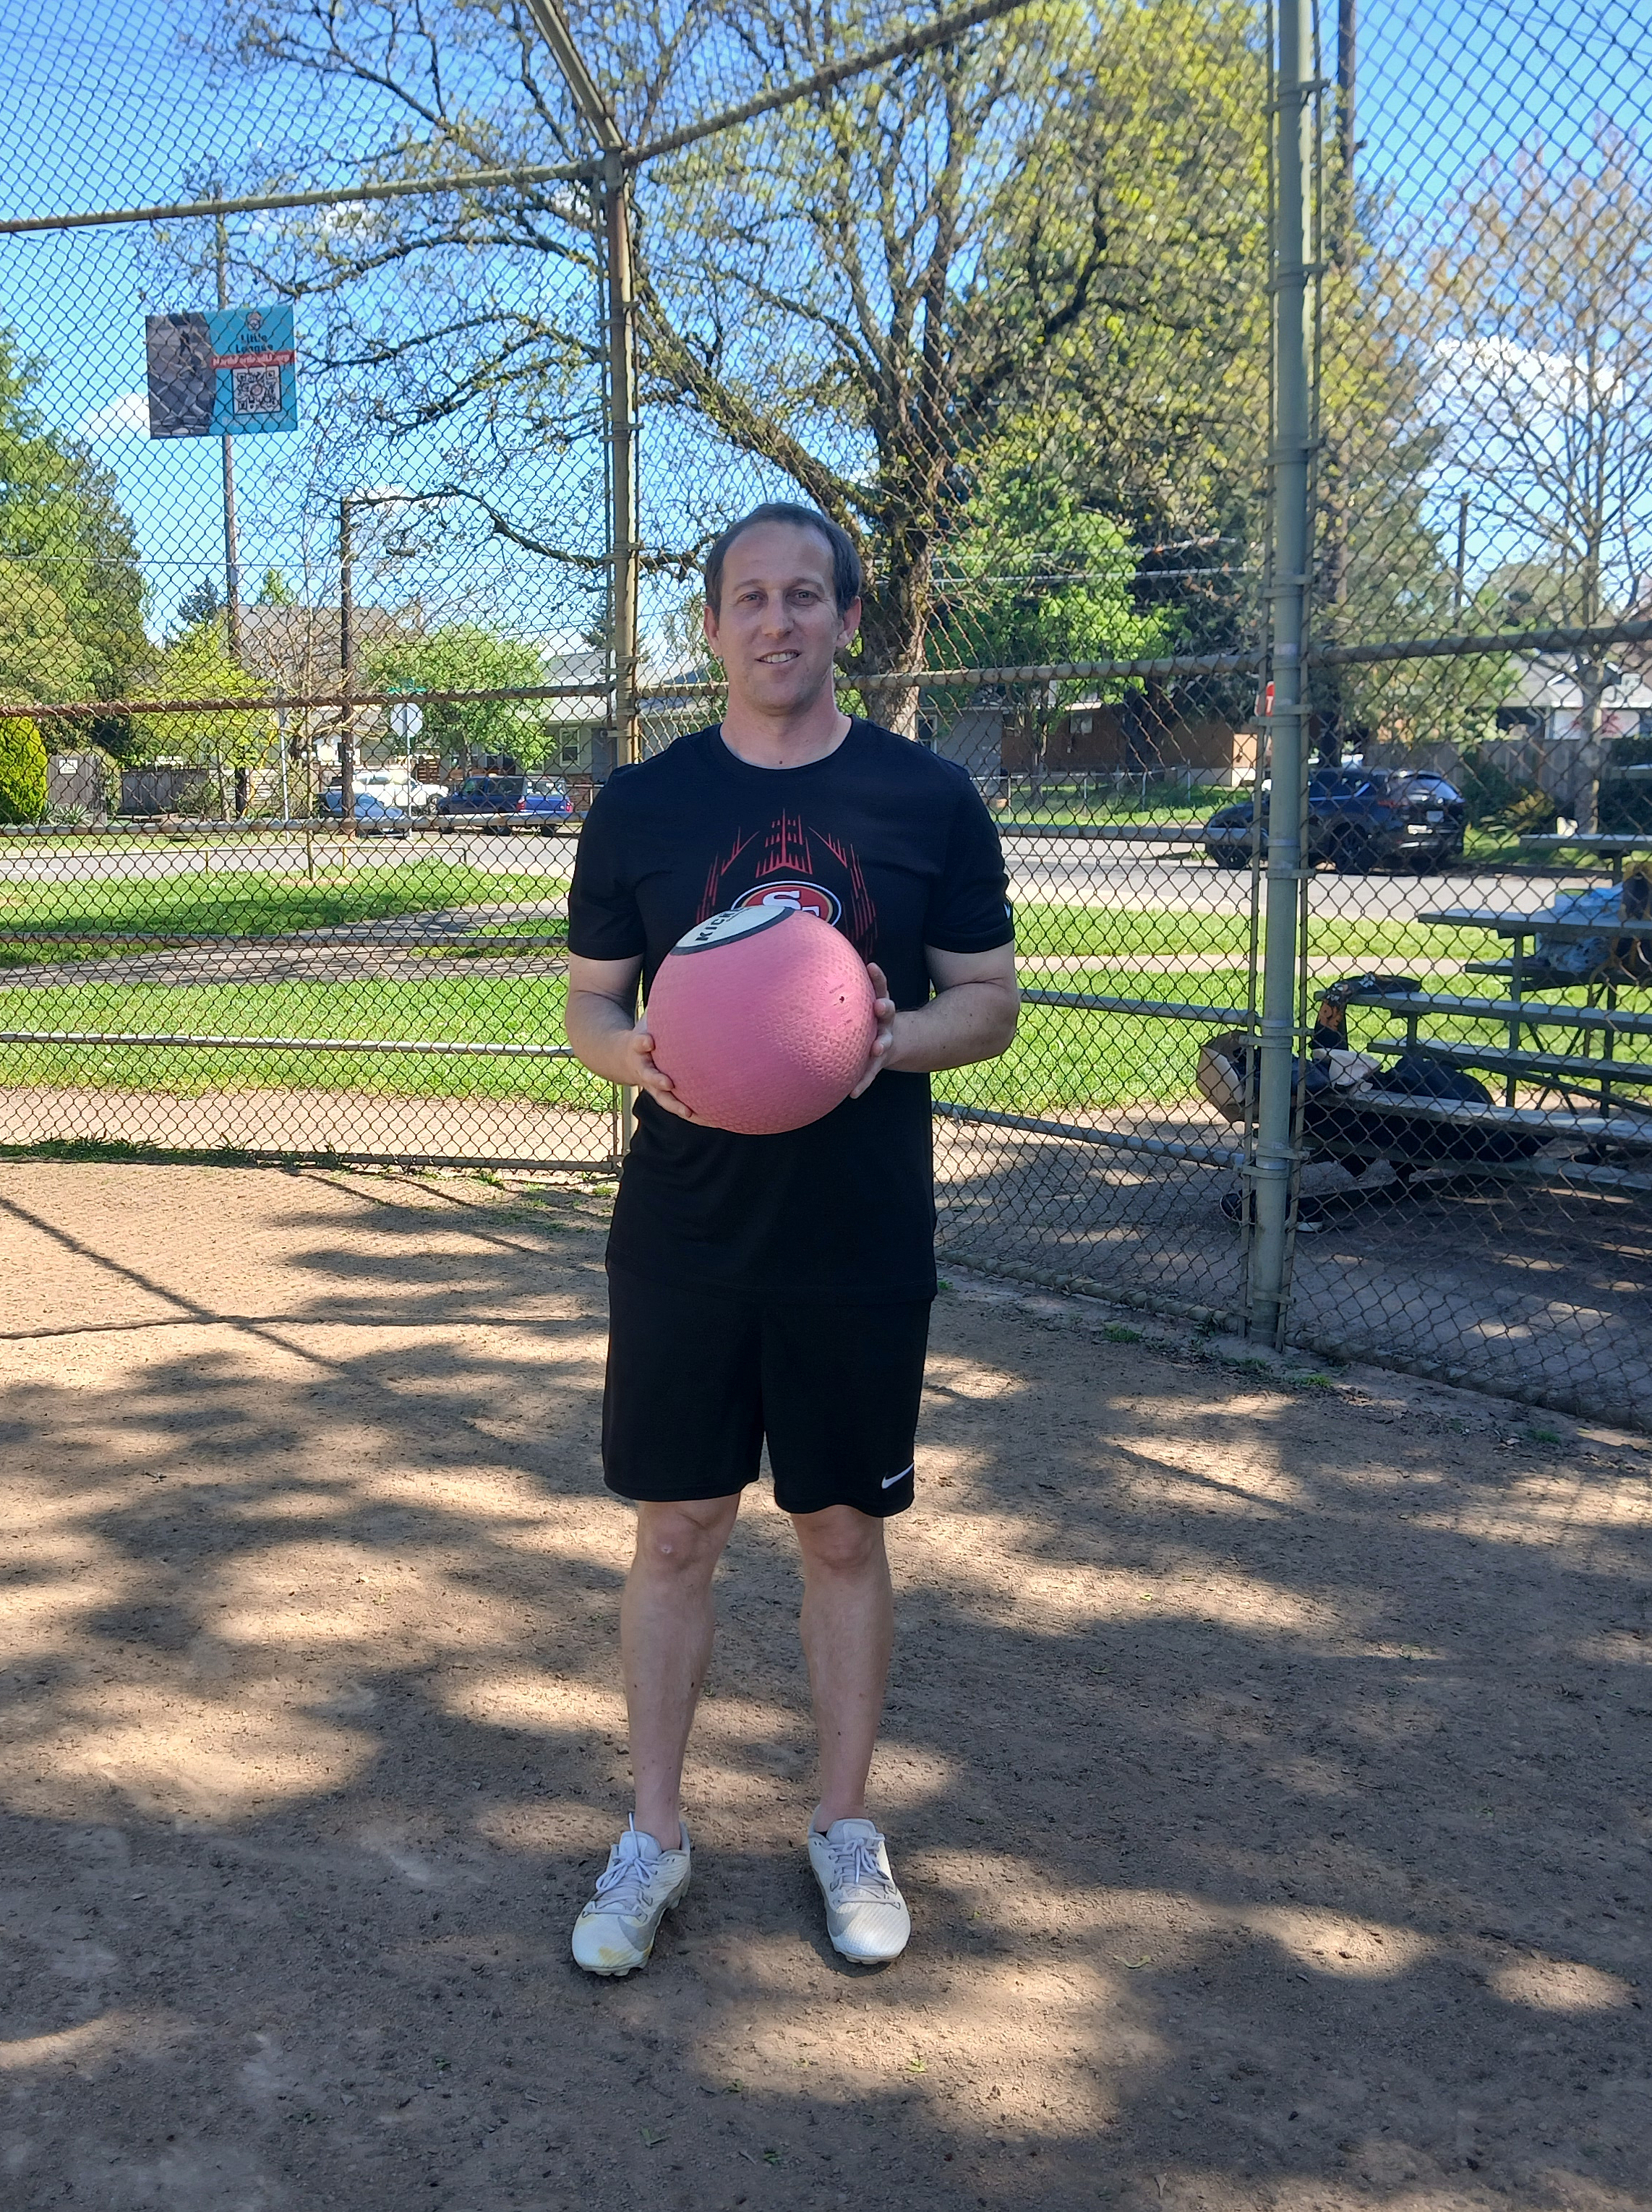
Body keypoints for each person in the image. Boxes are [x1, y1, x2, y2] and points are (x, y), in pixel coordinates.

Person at [560, 502, 1020, 1973]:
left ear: (846, 618)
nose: (778, 621)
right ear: (710, 626)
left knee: (839, 1530)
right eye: (750, 598)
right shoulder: (643, 805)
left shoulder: (925, 798)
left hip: (856, 1233)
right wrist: (634, 1057)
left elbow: (989, 1003)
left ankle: (844, 1825)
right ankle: (653, 1835)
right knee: (676, 1528)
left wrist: (885, 1038)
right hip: (686, 1230)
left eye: (806, 596)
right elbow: (590, 1005)